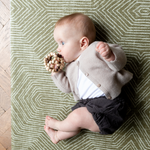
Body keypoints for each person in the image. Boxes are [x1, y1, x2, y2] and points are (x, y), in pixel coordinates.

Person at [44, 13, 133, 144]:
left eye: (62, 43)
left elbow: (120, 63)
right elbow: (66, 88)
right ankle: (57, 136)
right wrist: (57, 73)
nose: (58, 49)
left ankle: (58, 125)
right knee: (76, 122)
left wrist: (109, 55)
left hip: (109, 106)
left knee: (76, 118)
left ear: (83, 43)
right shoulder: (70, 68)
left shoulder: (96, 49)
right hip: (87, 106)